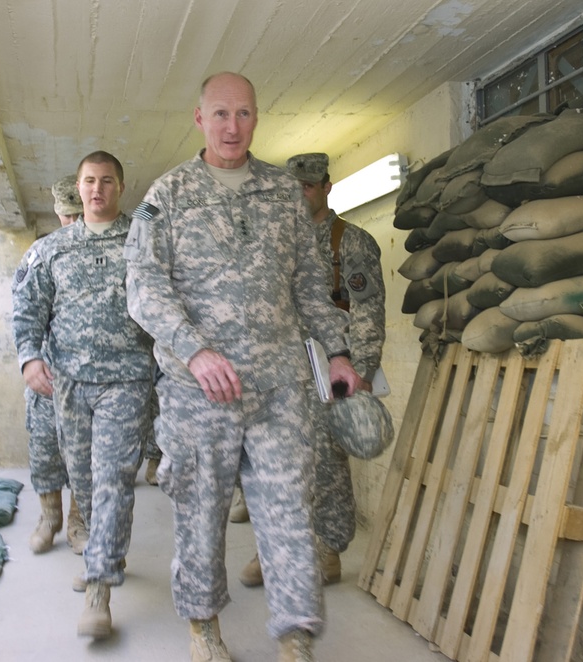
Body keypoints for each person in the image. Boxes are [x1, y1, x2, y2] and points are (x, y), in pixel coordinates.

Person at [125, 72, 361, 662]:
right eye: (221, 115)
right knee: (200, 516)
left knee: (288, 513)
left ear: (257, 118)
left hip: (279, 387)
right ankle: (204, 629)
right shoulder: (169, 195)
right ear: (200, 119)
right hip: (199, 392)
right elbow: (144, 289)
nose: (234, 127)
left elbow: (310, 286)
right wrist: (194, 350)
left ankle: (296, 636)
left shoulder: (283, 193)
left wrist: (337, 352)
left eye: (245, 114)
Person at [12, 151, 155, 639]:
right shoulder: (53, 248)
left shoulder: (144, 238)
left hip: (128, 380)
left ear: (120, 186)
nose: (97, 189)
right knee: (86, 481)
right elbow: (29, 307)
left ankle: (99, 588)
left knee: (114, 477)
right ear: (79, 186)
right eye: (89, 181)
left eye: (107, 181)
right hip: (69, 384)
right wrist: (30, 358)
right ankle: (100, 551)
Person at [239, 152, 386, 588]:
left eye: (309, 185)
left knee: (326, 463)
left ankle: (327, 549)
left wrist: (360, 369)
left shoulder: (350, 242)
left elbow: (367, 310)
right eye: (295, 186)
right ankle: (276, 546)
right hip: (280, 370)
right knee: (277, 461)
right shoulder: (275, 242)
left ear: (326, 186)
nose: (301, 193)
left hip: (330, 367)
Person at [16, 175, 88, 556]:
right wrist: (30, 360)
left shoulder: (107, 249)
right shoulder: (41, 253)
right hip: (48, 375)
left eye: (81, 215)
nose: (75, 223)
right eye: (68, 216)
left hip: (89, 378)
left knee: (85, 454)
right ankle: (49, 518)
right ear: (58, 214)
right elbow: (24, 312)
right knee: (44, 448)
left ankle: (78, 522)